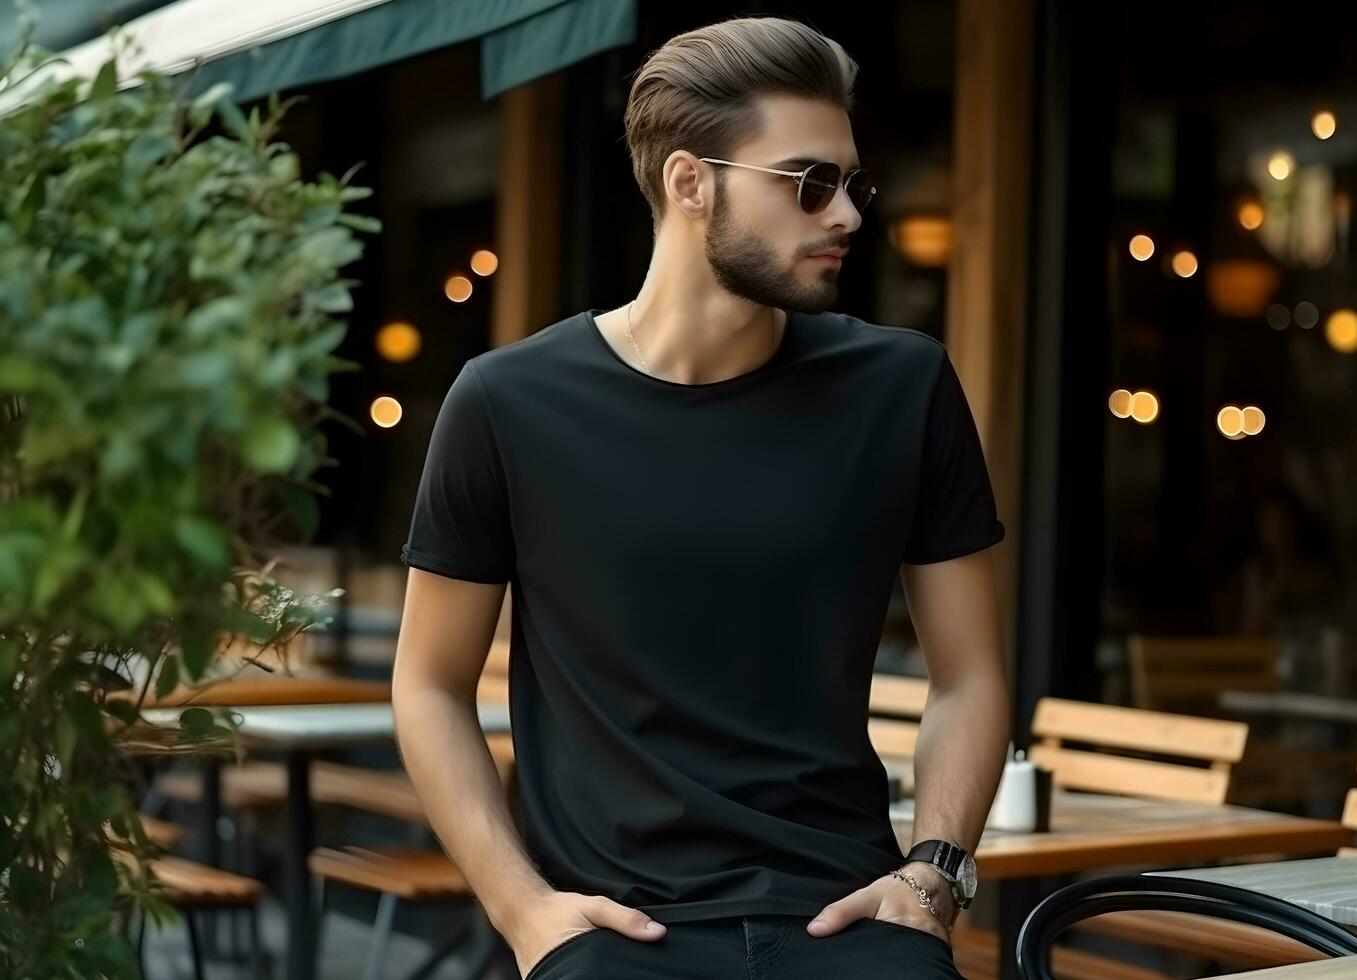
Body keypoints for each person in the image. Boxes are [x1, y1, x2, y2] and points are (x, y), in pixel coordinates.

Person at [392, 15, 1010, 979]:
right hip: (611, 933)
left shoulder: (904, 387)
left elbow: (970, 674)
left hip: (852, 920)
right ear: (691, 182)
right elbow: (429, 685)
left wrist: (932, 879)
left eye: (853, 183)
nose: (846, 214)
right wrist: (524, 914)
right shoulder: (507, 403)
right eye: (810, 183)